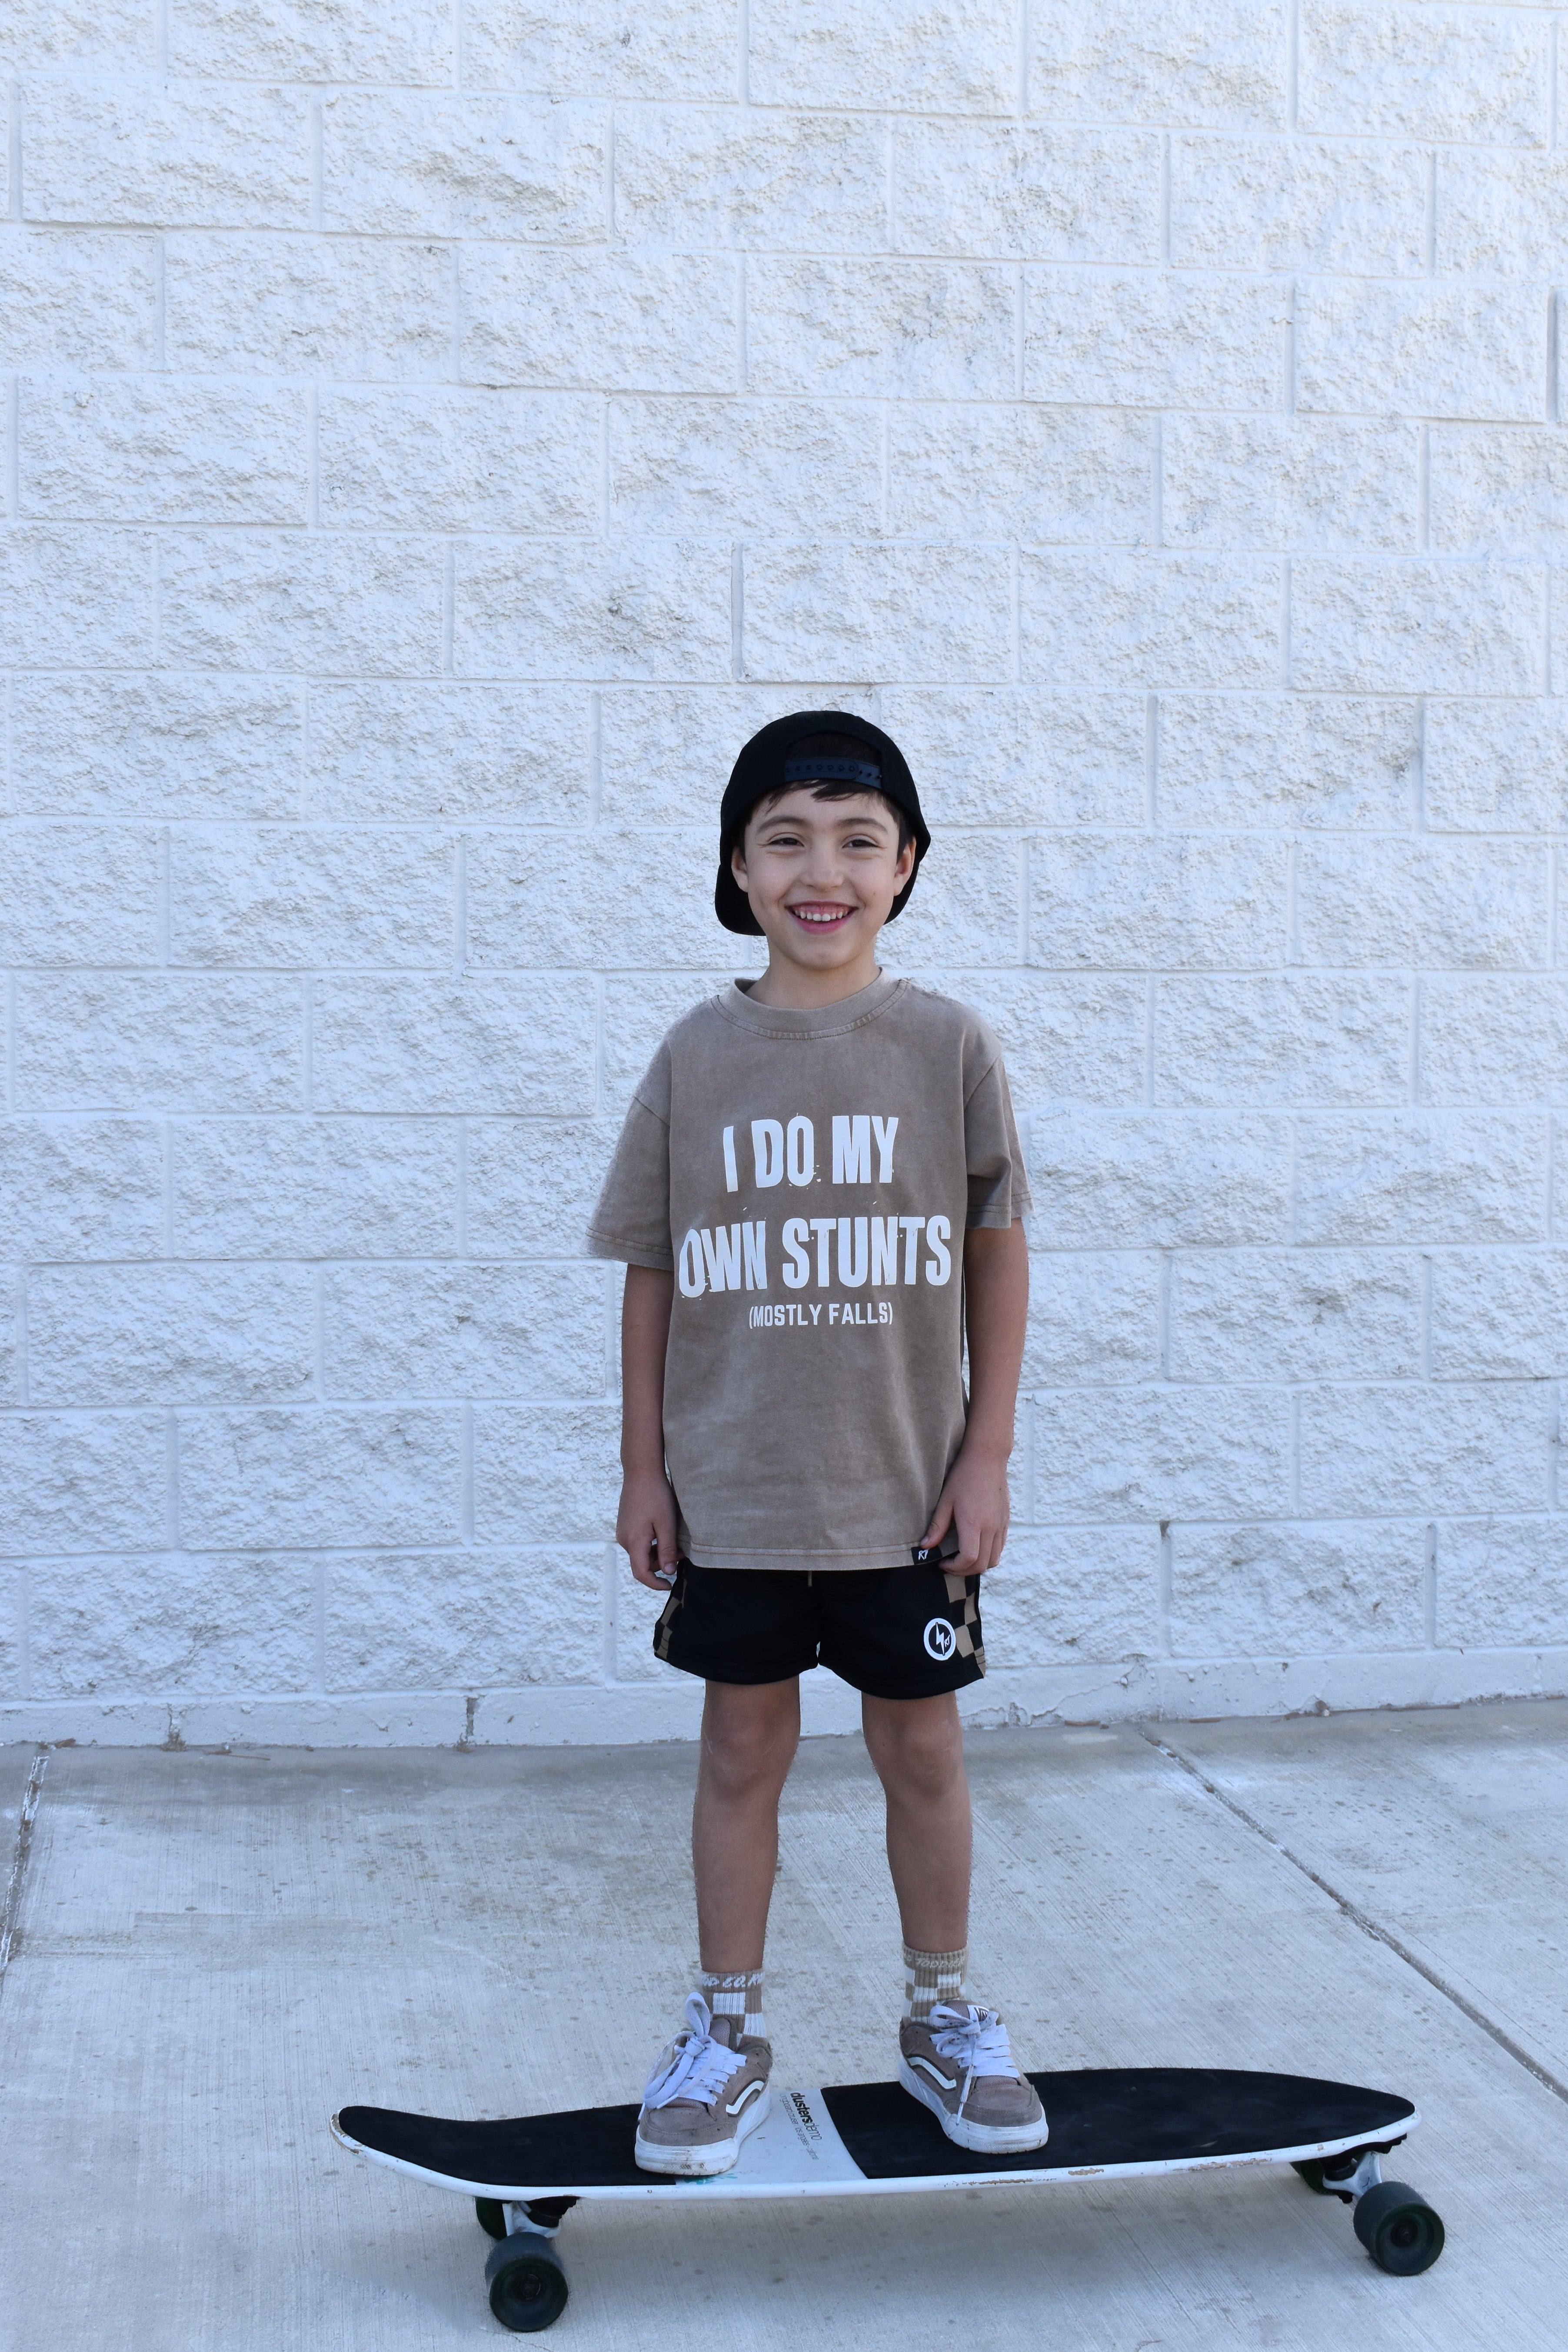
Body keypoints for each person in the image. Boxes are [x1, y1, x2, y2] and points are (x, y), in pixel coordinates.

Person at [587, 710, 1046, 2176]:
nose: (821, 868)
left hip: (902, 1493)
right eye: (785, 837)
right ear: (737, 866)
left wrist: (987, 1455)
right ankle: (725, 2029)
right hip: (734, 1490)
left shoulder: (945, 1046)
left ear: (907, 865)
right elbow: (651, 1266)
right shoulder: (696, 1054)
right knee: (740, 1747)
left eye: (858, 839)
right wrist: (642, 1465)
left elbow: (998, 1245)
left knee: (922, 1747)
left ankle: (943, 2014)